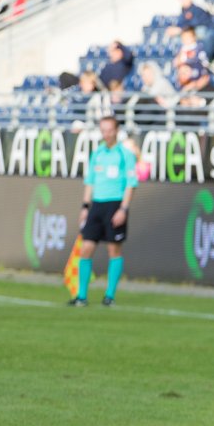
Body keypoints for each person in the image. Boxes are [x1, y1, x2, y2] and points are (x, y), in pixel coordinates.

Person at [69, 116, 138, 307]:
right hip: (97, 205)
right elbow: (89, 182)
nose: (106, 134)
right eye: (103, 130)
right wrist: (85, 206)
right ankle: (81, 296)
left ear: (116, 131)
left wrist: (123, 209)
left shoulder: (125, 154)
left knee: (113, 249)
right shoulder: (97, 153)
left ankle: (110, 296)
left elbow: (131, 184)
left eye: (109, 130)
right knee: (86, 248)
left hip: (115, 205)